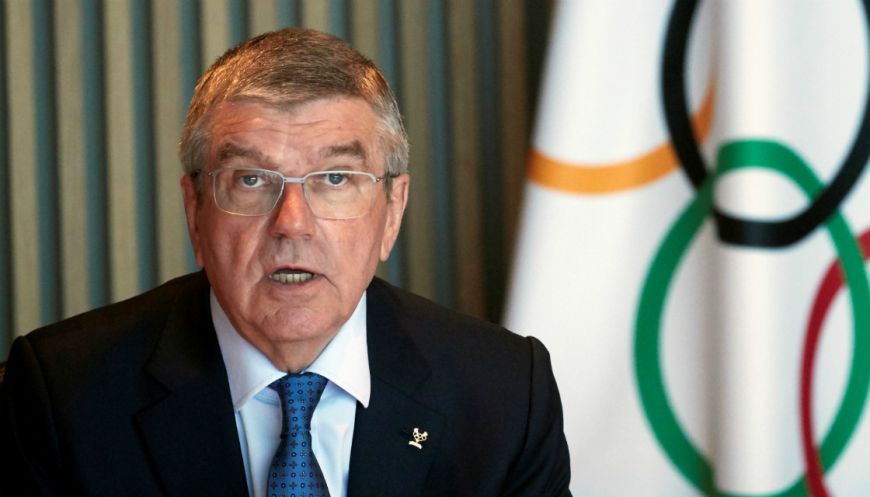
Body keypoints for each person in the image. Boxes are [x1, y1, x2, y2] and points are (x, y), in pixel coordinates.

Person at [0, 28, 571, 497]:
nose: (292, 223)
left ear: (392, 211)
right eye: (251, 180)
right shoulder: (64, 395)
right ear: (195, 209)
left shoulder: (503, 394)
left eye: (335, 178)